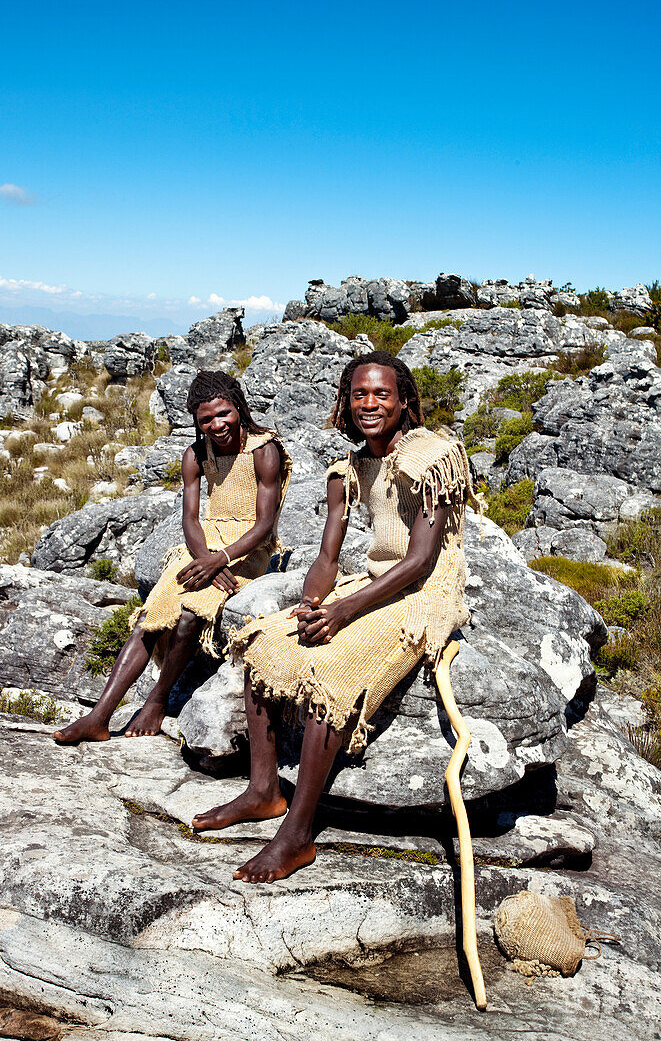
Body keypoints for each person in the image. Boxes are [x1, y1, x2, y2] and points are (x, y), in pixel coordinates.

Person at [192, 350, 483, 882]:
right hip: (373, 585)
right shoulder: (346, 469)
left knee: (332, 672)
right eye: (359, 394)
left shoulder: (432, 456)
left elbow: (420, 560)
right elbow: (328, 556)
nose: (370, 404)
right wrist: (310, 605)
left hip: (423, 594)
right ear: (345, 403)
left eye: (382, 394)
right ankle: (263, 791)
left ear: (404, 401)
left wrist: (344, 613)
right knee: (265, 643)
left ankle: (299, 834)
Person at [53, 370, 291, 745]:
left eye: (224, 413)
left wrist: (221, 560)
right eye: (206, 420)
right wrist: (205, 559)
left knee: (189, 616)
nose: (217, 425)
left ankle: (157, 699)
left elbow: (264, 525)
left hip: (247, 550)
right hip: (204, 546)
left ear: (239, 407)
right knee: (152, 617)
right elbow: (191, 518)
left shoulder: (263, 450)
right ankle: (98, 717)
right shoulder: (195, 455)